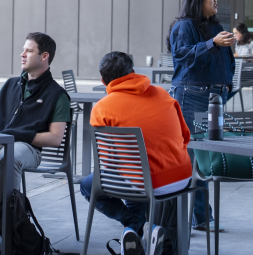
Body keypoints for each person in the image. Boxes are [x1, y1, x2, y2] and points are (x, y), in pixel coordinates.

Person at [80, 52, 192, 255]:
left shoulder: (102, 108)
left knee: (88, 185)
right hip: (182, 178)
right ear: (133, 72)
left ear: (103, 80)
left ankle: (139, 226)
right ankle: (132, 236)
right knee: (135, 180)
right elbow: (185, 137)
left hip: (145, 184)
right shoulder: (164, 94)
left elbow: (108, 163)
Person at [0, 32, 72, 255]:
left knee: (10, 157)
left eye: (28, 50)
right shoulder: (10, 85)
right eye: (23, 49)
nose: (22, 54)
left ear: (44, 56)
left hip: (27, 149)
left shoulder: (58, 95)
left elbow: (55, 138)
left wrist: (17, 135)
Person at [166, 0, 235, 232]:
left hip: (214, 97)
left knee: (203, 159)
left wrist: (226, 86)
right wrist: (212, 44)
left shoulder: (214, 26)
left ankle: (201, 217)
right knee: (193, 159)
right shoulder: (184, 26)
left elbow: (224, 61)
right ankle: (199, 217)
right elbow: (182, 56)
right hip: (192, 96)